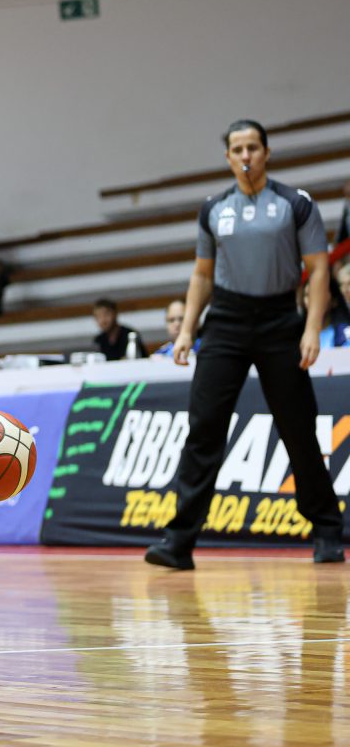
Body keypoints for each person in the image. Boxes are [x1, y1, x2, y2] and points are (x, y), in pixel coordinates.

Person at [145, 119, 345, 570]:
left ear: (266, 153)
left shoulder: (295, 203)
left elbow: (318, 269)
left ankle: (327, 529)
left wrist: (311, 328)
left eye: (253, 147)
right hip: (226, 322)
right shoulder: (213, 208)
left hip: (279, 319)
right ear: (228, 157)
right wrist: (187, 329)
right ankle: (178, 542)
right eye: (237, 149)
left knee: (298, 427)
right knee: (204, 429)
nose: (246, 155)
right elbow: (201, 274)